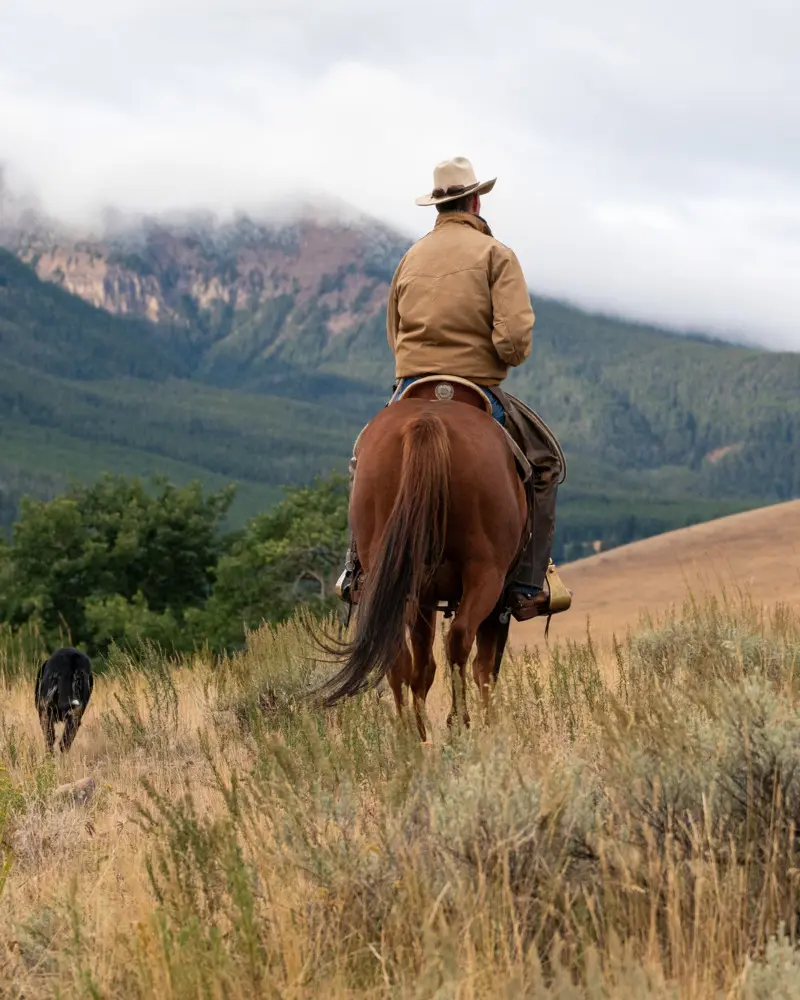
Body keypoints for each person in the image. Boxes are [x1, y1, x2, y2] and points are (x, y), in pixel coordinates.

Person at [337, 156, 569, 623]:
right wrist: (496, 353)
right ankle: (526, 584)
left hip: (412, 385)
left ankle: (356, 571)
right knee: (545, 464)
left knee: (365, 457)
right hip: (475, 385)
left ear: (438, 206)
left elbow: (394, 331)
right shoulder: (496, 254)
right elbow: (515, 341)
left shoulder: (411, 257)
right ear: (476, 199)